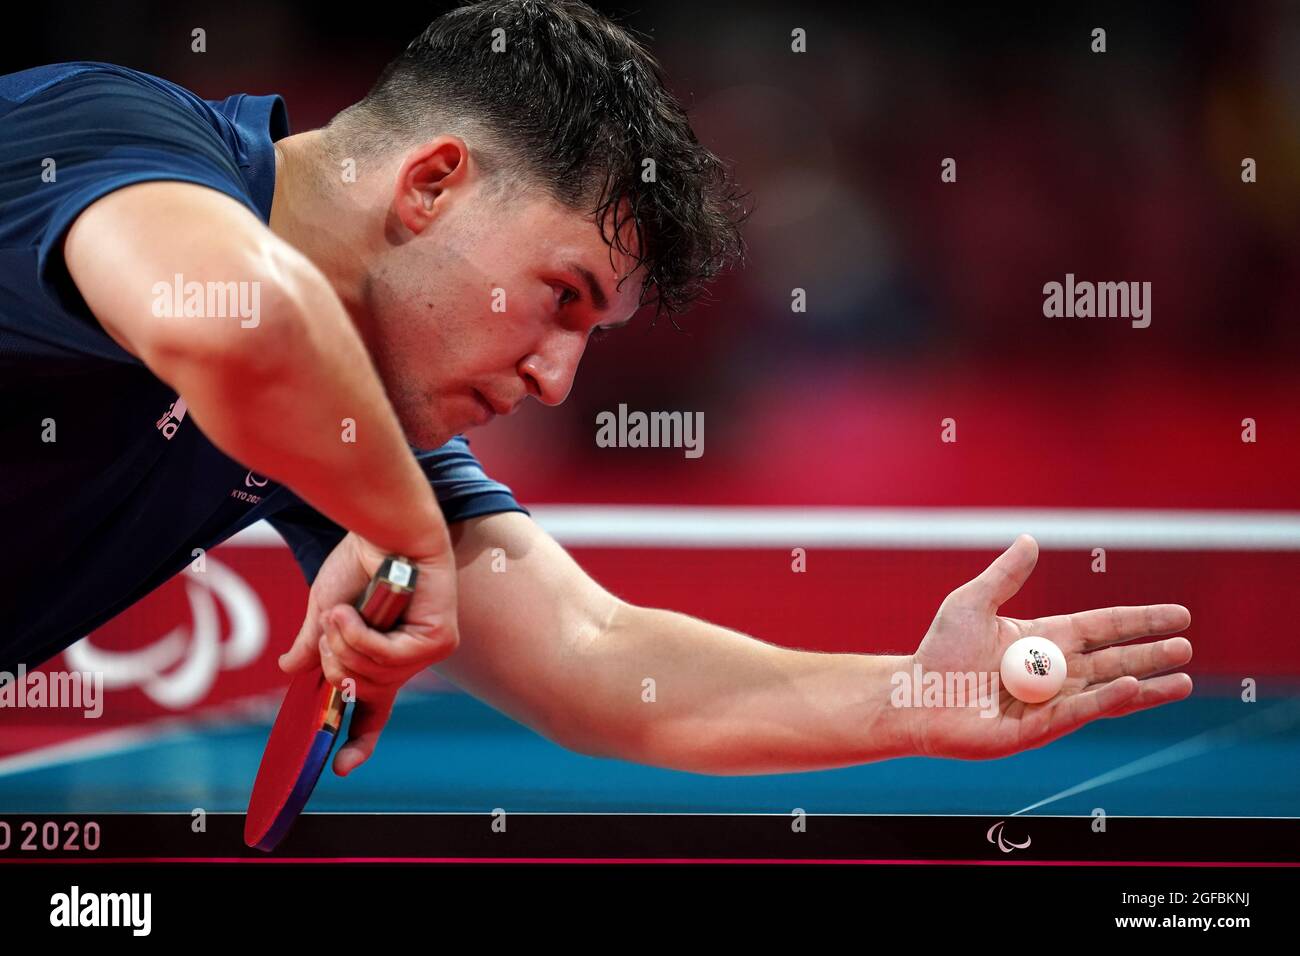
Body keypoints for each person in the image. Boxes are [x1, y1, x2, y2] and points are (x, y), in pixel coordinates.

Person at [0, 0, 1192, 777]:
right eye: (561, 294)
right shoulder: (110, 136)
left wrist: (909, 698)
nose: (558, 380)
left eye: (596, 334)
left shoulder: (366, 417)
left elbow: (600, 650)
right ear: (432, 184)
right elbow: (238, 326)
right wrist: (397, 516)